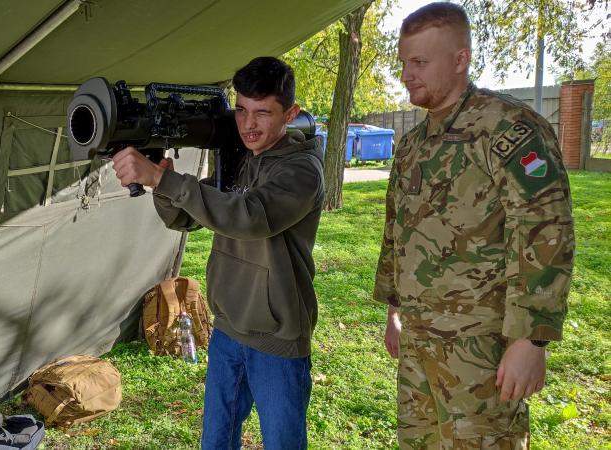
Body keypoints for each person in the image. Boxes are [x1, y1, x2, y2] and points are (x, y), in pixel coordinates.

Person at [373, 3, 575, 449]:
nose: (407, 74)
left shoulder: (510, 129)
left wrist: (532, 340)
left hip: (482, 346)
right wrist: (394, 309)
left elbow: (545, 231)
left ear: (460, 59)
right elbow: (398, 231)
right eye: (404, 62)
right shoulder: (413, 143)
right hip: (420, 339)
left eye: (420, 62)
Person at [111, 56, 324, 449]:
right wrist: (162, 183)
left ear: (290, 113)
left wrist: (164, 179)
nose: (248, 124)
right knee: (216, 440)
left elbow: (247, 216)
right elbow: (191, 215)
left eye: (263, 113)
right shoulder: (244, 161)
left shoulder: (301, 170)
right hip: (228, 329)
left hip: (277, 337)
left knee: (283, 443)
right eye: (241, 110)